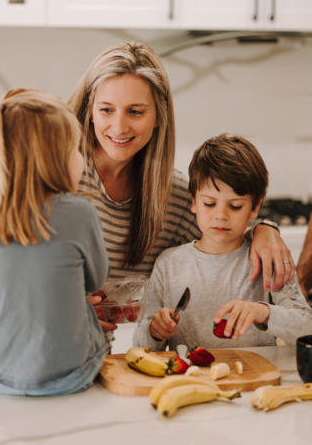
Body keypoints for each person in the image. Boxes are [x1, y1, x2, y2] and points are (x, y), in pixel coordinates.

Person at [68, 42, 295, 339]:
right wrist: (63, 308)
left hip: (95, 359)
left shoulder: (172, 197)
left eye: (135, 112)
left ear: (159, 116)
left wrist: (264, 229)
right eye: (106, 110)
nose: (119, 126)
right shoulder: (57, 175)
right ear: (90, 111)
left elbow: (221, 234)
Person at [0, 89, 109, 396]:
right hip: (71, 375)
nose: (82, 159)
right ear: (52, 160)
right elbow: (96, 280)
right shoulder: (78, 212)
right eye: (76, 150)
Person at [133, 134, 312, 350]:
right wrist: (155, 331)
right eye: (209, 203)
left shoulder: (268, 259)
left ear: (255, 207)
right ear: (193, 202)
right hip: (191, 380)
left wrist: (263, 312)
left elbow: (307, 328)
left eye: (235, 206)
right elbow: (142, 347)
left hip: (256, 379)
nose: (221, 215)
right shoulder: (168, 264)